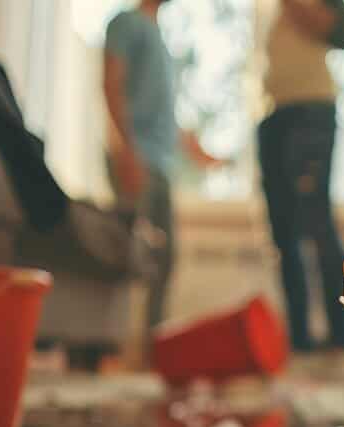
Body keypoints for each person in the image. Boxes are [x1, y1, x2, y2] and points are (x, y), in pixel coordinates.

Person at [103, 0, 216, 354]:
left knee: (163, 259)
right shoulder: (126, 23)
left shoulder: (160, 38)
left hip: (158, 162)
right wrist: (127, 150)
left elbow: (160, 114)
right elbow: (111, 83)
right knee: (126, 255)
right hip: (137, 159)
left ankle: (152, 352)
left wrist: (194, 149)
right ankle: (107, 347)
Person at [258, 0, 344, 353]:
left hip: (309, 114)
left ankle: (339, 337)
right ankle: (299, 341)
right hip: (276, 115)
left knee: (316, 223)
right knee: (284, 233)